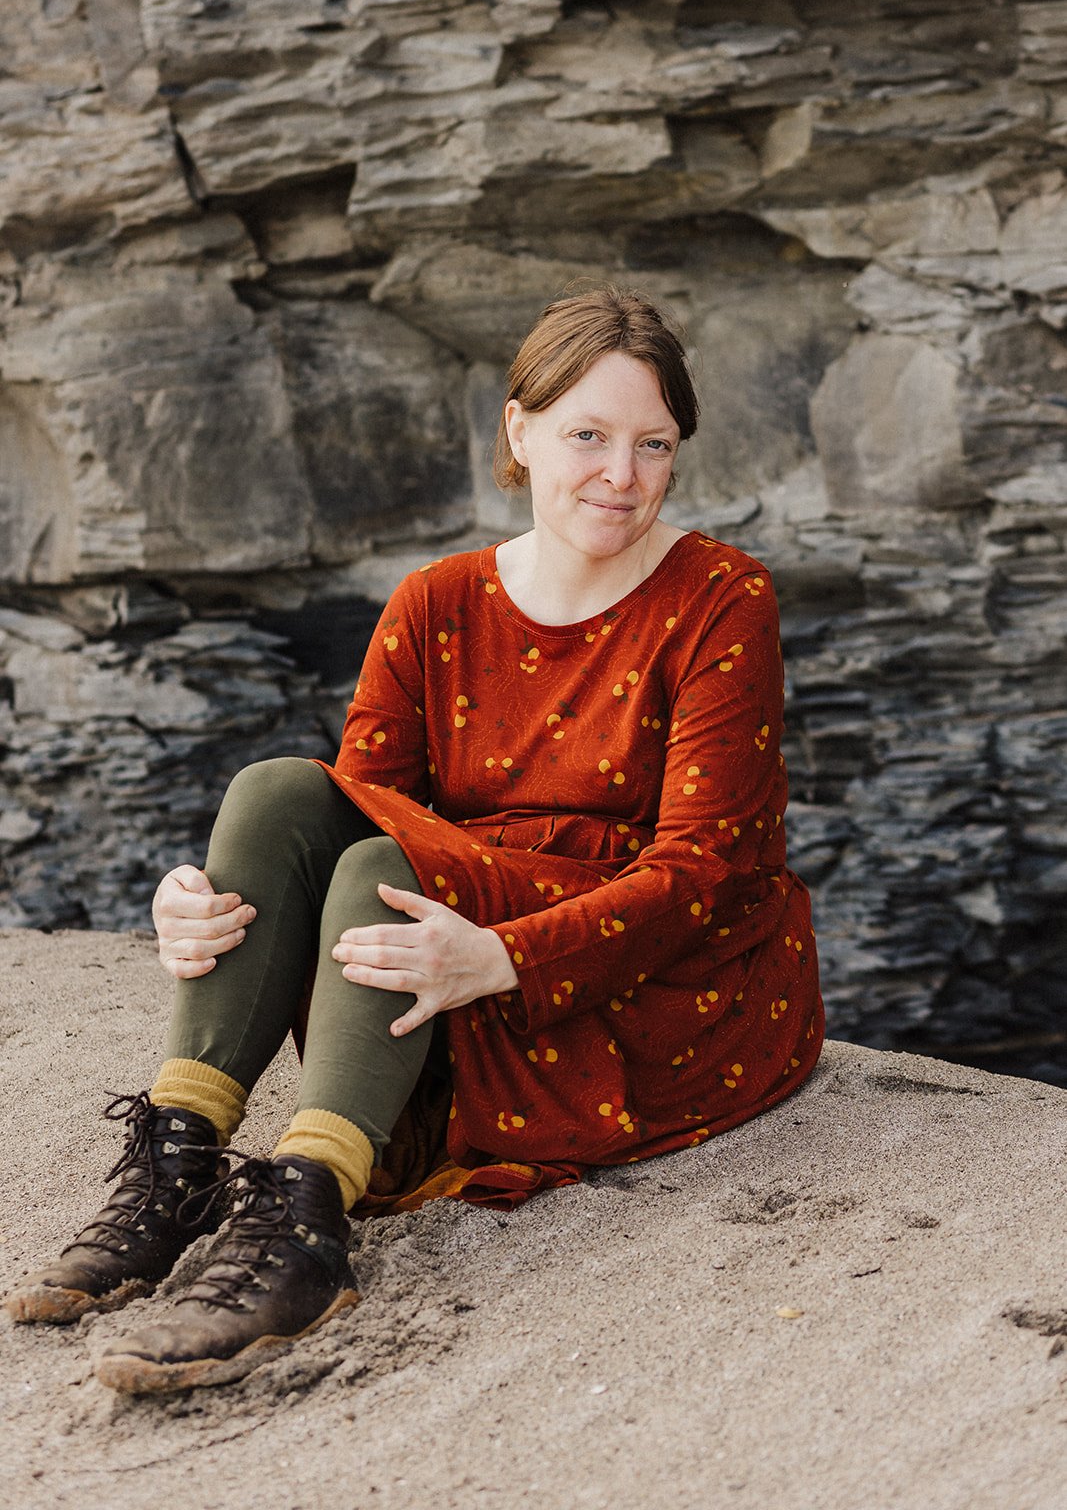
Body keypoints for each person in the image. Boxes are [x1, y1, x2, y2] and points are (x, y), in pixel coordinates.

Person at [4, 286, 824, 1393]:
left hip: (633, 968)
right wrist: (199, 904)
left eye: (652, 444)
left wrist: (501, 957)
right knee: (278, 794)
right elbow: (347, 813)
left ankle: (305, 1215)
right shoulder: (436, 600)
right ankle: (181, 1154)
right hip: (450, 939)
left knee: (385, 869)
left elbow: (708, 874)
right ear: (518, 432)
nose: (619, 475)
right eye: (587, 434)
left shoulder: (719, 596)